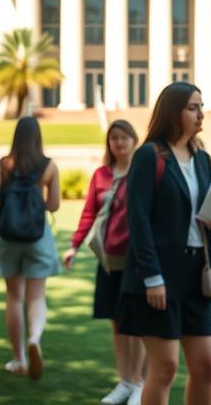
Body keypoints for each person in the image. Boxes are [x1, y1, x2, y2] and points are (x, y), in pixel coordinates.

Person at [117, 82, 211, 405]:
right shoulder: (148, 156)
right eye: (193, 107)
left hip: (197, 275)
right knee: (164, 368)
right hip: (159, 276)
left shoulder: (203, 158)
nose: (200, 114)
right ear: (173, 112)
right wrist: (152, 277)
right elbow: (138, 220)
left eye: (201, 106)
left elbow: (202, 212)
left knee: (206, 366)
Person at [64, 119, 148, 405]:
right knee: (116, 323)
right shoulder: (101, 175)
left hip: (136, 260)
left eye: (124, 137)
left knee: (136, 324)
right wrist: (74, 246)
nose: (119, 143)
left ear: (134, 140)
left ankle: (140, 383)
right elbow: (89, 212)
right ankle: (125, 380)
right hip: (108, 260)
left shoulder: (141, 172)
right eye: (114, 138)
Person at [0, 116, 62, 379]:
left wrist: (3, 220)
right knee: (37, 296)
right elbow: (54, 205)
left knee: (14, 297)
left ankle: (19, 358)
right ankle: (34, 337)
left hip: (8, 238)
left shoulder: (4, 165)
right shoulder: (48, 166)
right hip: (37, 236)